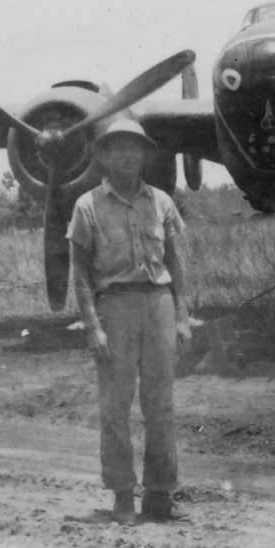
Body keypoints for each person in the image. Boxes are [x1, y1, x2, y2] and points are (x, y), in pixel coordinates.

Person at [66, 118, 191, 525]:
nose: (127, 155)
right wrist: (92, 326)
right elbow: (81, 273)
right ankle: (122, 494)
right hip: (114, 307)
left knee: (161, 405)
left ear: (144, 155)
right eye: (117, 148)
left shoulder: (161, 202)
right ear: (103, 156)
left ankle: (159, 495)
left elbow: (177, 261)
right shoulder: (87, 206)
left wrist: (183, 315)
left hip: (158, 304)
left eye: (134, 148)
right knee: (115, 407)